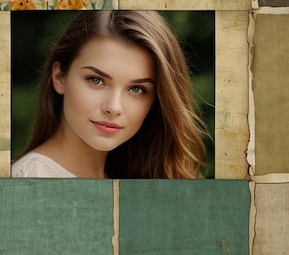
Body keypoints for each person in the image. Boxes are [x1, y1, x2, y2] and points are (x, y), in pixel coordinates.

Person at [11, 11, 208, 179]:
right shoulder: (30, 179)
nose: (113, 107)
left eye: (137, 89)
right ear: (60, 76)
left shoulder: (133, 178)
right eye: (96, 80)